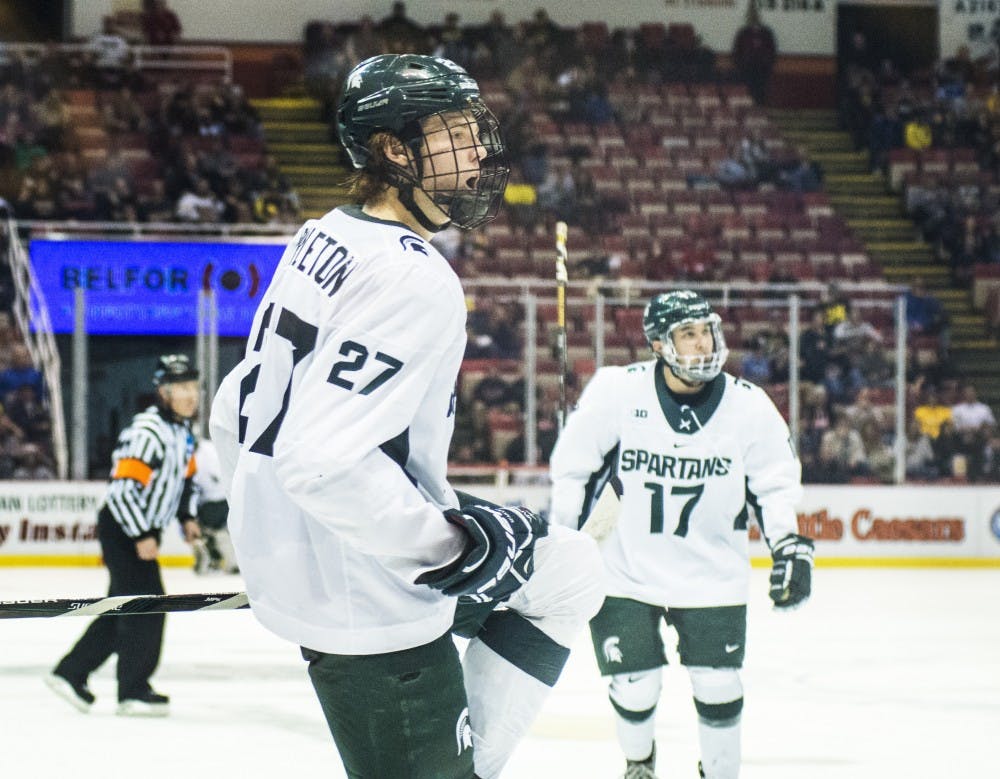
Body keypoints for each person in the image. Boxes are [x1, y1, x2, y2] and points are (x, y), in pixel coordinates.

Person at [208, 54, 602, 779]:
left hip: (323, 543)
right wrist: (448, 546)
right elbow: (320, 462)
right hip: (366, 596)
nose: (481, 150)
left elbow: (237, 405)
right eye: (457, 132)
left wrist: (263, 527)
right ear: (394, 149)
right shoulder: (412, 276)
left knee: (569, 570)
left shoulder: (321, 235)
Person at [549, 290, 812, 779]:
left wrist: (788, 545)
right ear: (657, 343)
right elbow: (573, 472)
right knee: (633, 683)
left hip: (713, 573)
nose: (702, 343)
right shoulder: (616, 392)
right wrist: (561, 541)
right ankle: (639, 763)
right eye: (687, 334)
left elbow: (774, 484)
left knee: (718, 683)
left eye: (706, 331)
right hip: (624, 571)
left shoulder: (749, 406)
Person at [46, 354, 202, 717]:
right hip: (123, 530)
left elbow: (185, 480)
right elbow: (123, 491)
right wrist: (142, 534)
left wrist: (186, 516)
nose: (190, 395)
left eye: (193, 387)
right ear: (163, 392)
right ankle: (133, 690)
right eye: (181, 388)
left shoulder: (183, 433)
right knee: (147, 607)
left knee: (124, 607)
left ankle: (72, 672)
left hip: (135, 531)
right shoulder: (146, 431)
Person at [191, 436, 236, 574]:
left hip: (213, 502)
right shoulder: (209, 446)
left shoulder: (195, 457)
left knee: (204, 530)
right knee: (221, 531)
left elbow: (194, 487)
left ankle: (212, 559)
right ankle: (230, 562)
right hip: (228, 497)